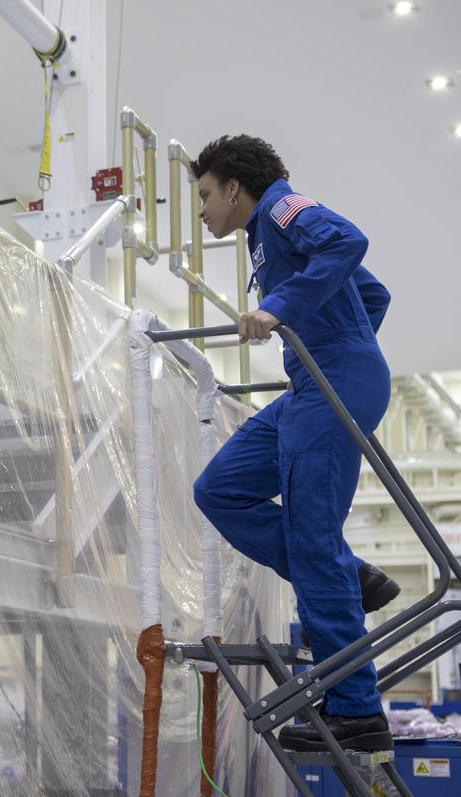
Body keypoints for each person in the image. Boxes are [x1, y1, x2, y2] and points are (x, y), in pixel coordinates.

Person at [189, 135, 399, 752]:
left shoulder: (281, 208)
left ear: (233, 188)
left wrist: (285, 311)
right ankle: (348, 574)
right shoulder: (265, 238)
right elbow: (374, 295)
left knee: (311, 541)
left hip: (333, 379)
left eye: (204, 195)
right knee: (219, 490)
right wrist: (328, 334)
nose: (200, 210)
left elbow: (348, 240)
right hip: (314, 379)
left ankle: (356, 711)